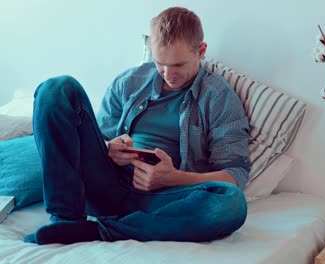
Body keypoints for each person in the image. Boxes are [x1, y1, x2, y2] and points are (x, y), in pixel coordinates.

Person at [24, 6, 251, 245]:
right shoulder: (130, 82)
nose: (168, 74)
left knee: (231, 202)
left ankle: (100, 231)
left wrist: (172, 178)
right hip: (106, 185)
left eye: (179, 65)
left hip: (164, 201)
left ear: (201, 51)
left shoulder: (219, 97)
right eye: (160, 63)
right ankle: (65, 220)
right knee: (56, 88)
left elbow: (234, 175)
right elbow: (92, 141)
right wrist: (109, 147)